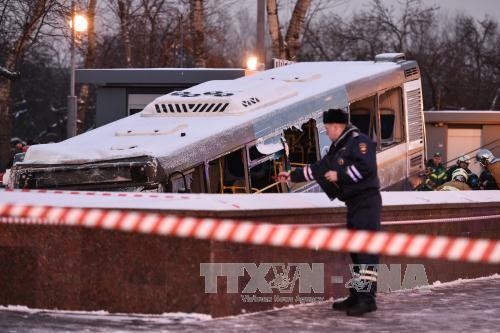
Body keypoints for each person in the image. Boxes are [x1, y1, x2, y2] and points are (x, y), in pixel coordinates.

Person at [277, 108, 380, 316]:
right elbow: (319, 168)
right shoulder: (339, 146)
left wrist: (339, 174)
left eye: (327, 128)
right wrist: (292, 175)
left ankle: (367, 299)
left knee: (366, 252)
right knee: (357, 252)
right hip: (354, 204)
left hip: (366, 202)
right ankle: (357, 295)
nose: (326, 132)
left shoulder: (359, 142)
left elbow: (367, 168)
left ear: (336, 126)